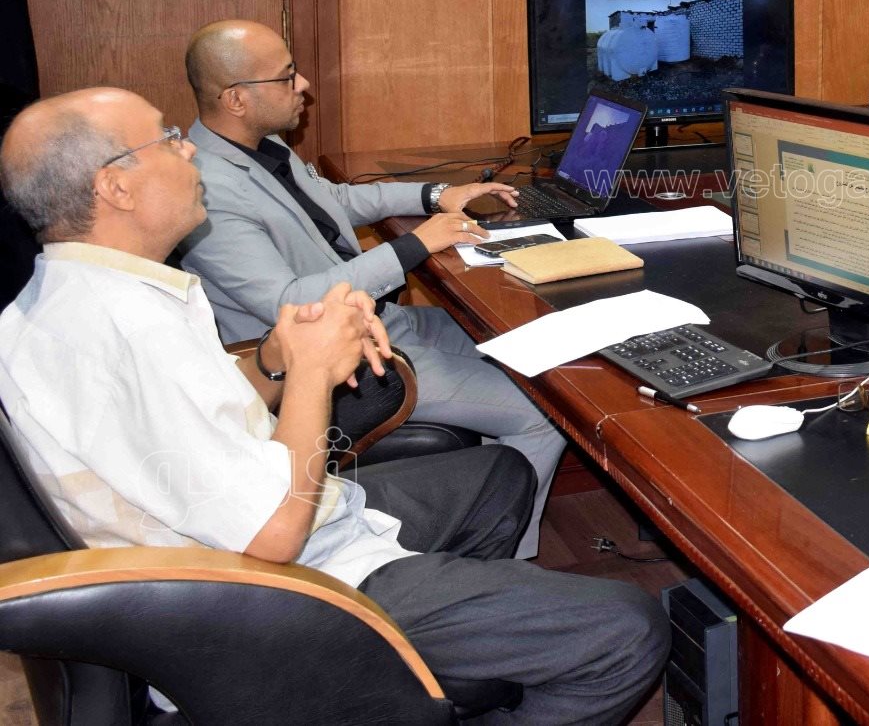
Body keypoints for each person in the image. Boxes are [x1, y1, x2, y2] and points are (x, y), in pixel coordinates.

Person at [0, 88, 668, 725]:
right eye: (167, 140)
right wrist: (314, 374)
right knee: (626, 630)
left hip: (266, 532)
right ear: (114, 187)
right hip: (279, 593)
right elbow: (273, 535)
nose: (189, 149)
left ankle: (446, 668)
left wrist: (277, 358)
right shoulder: (126, 331)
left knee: (502, 476)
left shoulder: (75, 296)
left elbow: (199, 416)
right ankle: (412, 648)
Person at [177, 19, 564, 557]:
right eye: (286, 77)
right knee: (545, 414)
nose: (303, 85)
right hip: (341, 361)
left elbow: (334, 201)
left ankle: (476, 499)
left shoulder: (261, 146)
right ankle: (504, 564)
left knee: (518, 339)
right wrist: (415, 245)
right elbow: (290, 303)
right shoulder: (207, 189)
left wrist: (435, 195)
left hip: (382, 323)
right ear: (236, 98)